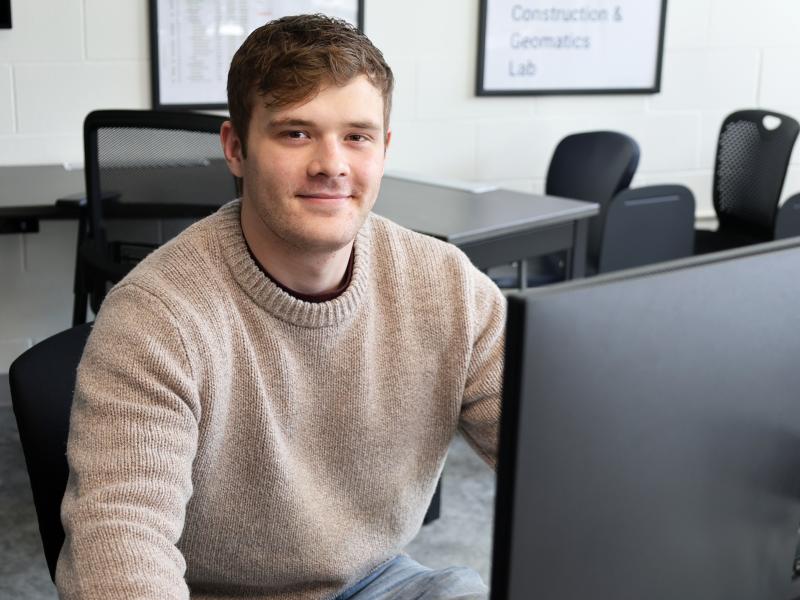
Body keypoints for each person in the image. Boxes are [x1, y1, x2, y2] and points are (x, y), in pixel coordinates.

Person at [57, 14, 505, 600]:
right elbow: (120, 542)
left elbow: (556, 452)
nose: (332, 164)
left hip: (374, 578)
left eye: (357, 136)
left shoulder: (448, 286)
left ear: (384, 149)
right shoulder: (156, 318)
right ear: (236, 149)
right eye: (296, 133)